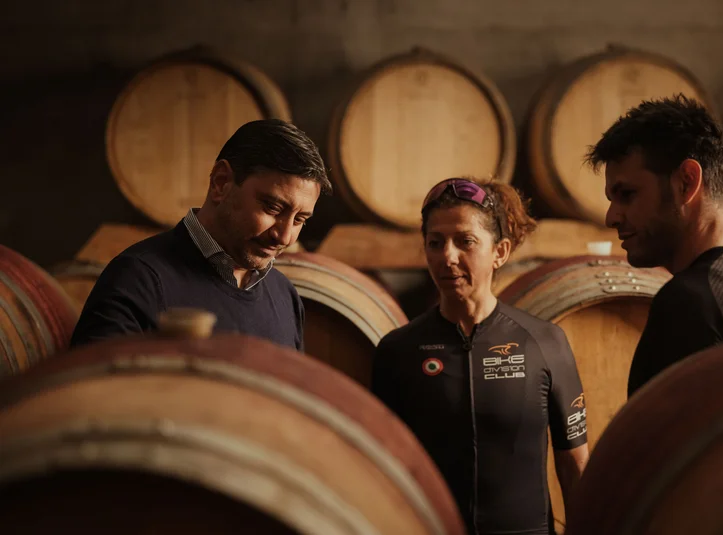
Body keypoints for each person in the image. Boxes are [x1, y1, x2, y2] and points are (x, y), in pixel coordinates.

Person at [371, 177, 589, 535]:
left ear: (499, 252)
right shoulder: (398, 351)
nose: (448, 256)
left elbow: (575, 464)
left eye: (465, 241)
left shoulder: (544, 343)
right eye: (435, 243)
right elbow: (381, 470)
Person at [585, 94, 723, 398]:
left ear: (686, 182)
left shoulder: (690, 301)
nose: (611, 217)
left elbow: (660, 429)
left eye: (627, 194)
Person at [70, 119, 332, 350]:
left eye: (299, 220)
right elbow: (95, 390)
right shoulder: (137, 279)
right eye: (272, 208)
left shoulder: (285, 294)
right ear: (221, 182)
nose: (285, 237)